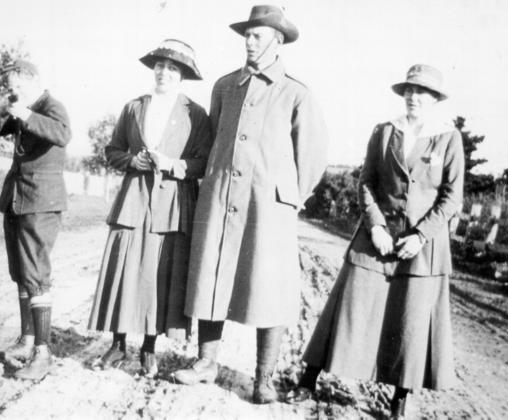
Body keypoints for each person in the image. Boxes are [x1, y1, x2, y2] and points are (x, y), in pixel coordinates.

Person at [286, 64, 464, 419]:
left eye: (423, 93)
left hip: (423, 248)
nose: (414, 97)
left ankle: (400, 398)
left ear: (434, 100)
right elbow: (366, 182)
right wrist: (377, 227)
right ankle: (308, 380)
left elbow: (451, 197)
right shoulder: (385, 131)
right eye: (410, 90)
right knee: (347, 306)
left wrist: (420, 236)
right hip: (376, 238)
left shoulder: (448, 138)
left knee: (411, 321)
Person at [172, 5, 329, 404]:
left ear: (278, 41)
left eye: (258, 35)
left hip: (267, 207)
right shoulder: (225, 86)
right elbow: (216, 141)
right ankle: (206, 362)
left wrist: (286, 198)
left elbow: (311, 158)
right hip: (222, 197)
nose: (250, 41)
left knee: (267, 288)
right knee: (211, 274)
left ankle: (263, 377)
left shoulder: (296, 93)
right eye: (247, 34)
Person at [87, 39, 212, 378]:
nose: (164, 72)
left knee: (159, 275)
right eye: (159, 65)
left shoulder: (195, 114)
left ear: (183, 75)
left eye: (172, 68)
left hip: (171, 204)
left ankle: (148, 349)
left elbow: (203, 162)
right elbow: (112, 151)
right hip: (133, 199)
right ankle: (118, 344)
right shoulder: (133, 107)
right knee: (125, 269)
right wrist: (133, 160)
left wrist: (172, 164)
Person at [0, 59, 71, 381]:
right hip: (17, 200)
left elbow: (62, 134)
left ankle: (42, 353)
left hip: (41, 203)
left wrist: (26, 115)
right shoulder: (19, 106)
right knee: (20, 272)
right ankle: (26, 340)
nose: (14, 92)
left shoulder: (50, 106)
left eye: (18, 87)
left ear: (34, 81)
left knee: (36, 275)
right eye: (11, 87)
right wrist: (0, 105)